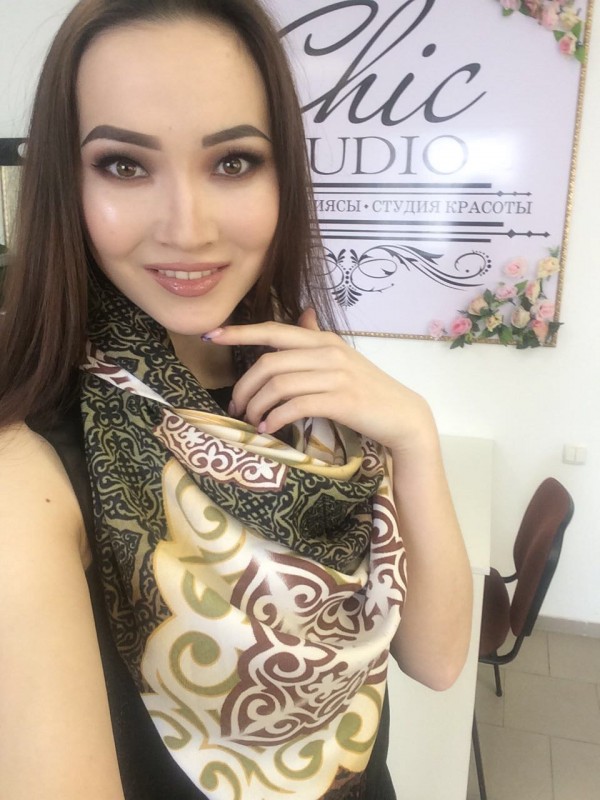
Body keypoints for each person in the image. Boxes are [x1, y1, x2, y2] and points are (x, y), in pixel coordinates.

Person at [0, 1, 473, 798]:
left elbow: (438, 657)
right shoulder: (29, 469)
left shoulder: (306, 380)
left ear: (282, 172)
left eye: (232, 162)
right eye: (124, 165)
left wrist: (415, 435)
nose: (187, 228)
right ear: (64, 180)